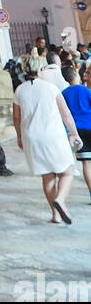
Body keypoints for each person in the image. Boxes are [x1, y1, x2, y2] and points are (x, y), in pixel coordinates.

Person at [13, 53, 81, 224]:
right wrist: (74, 133)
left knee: (47, 176)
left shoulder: (19, 90)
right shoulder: (50, 88)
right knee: (68, 171)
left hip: (32, 137)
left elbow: (16, 117)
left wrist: (19, 136)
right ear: (41, 68)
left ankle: (55, 215)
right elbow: (66, 114)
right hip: (53, 135)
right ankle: (60, 199)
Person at [61, 65, 91, 203]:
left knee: (86, 163)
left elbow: (64, 113)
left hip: (77, 130)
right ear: (76, 75)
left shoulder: (64, 94)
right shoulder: (86, 91)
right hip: (90, 125)